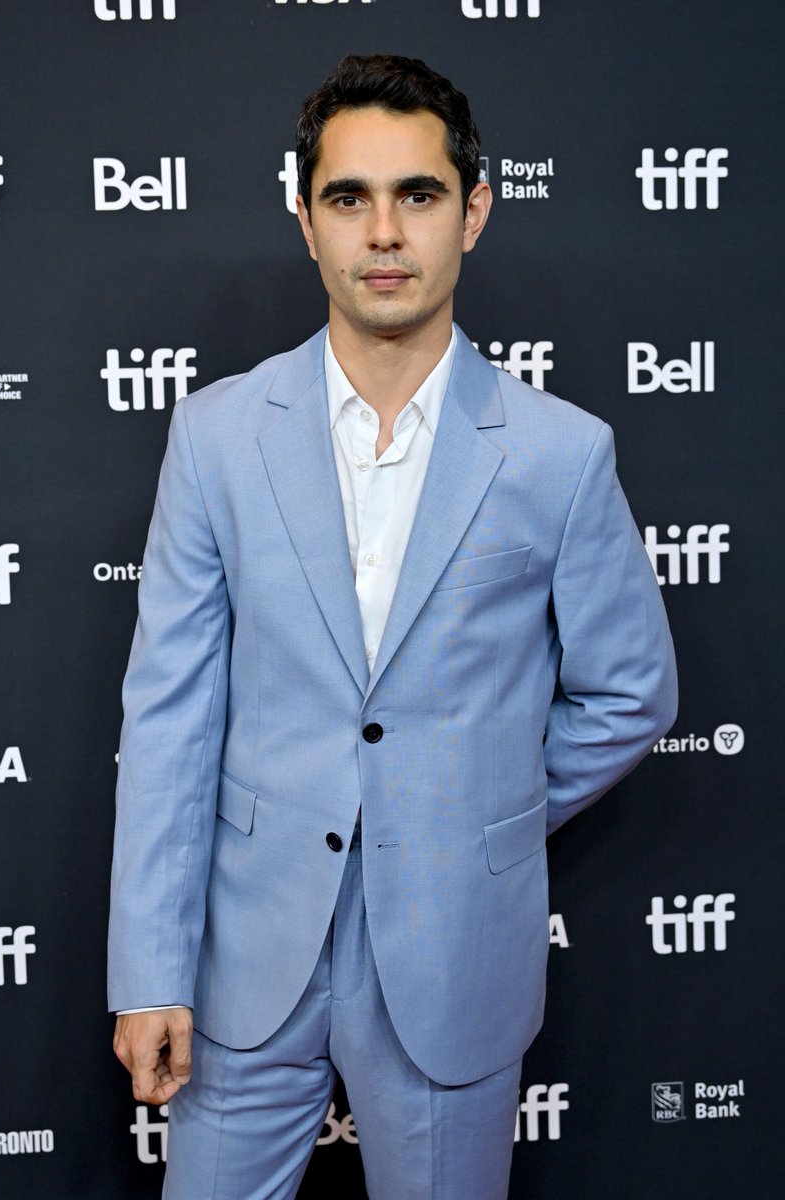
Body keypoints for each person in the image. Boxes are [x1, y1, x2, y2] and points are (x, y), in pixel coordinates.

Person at [109, 54, 677, 1200]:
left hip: (451, 949)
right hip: (245, 957)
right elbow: (169, 718)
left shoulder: (559, 454)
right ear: (304, 217)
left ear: (472, 212)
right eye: (347, 197)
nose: (382, 232)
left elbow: (629, 693)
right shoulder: (216, 438)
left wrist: (473, 805)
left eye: (417, 194)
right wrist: (149, 972)